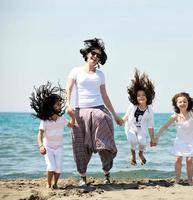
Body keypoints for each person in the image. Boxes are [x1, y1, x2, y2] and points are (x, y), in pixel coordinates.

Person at [66, 38, 123, 186]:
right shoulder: (76, 71)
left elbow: (105, 96)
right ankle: (83, 177)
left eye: (98, 55)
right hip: (80, 112)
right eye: (93, 53)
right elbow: (69, 89)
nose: (95, 56)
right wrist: (68, 105)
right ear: (87, 53)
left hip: (98, 110)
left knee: (104, 143)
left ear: (100, 59)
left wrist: (116, 115)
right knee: (79, 145)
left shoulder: (100, 74)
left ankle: (106, 174)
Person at [154, 92, 193, 185]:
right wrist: (157, 137)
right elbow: (164, 127)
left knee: (189, 160)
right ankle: (177, 180)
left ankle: (190, 180)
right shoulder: (175, 116)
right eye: (180, 102)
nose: (182, 103)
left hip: (192, 141)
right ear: (176, 104)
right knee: (178, 159)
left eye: (184, 101)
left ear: (188, 102)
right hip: (180, 141)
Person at [29, 82, 75, 189]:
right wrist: (41, 146)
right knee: (51, 166)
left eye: (60, 104)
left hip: (59, 147)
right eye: (58, 104)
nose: (60, 105)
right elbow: (40, 134)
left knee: (58, 168)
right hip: (48, 147)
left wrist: (73, 117)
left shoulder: (61, 120)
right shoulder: (45, 121)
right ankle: (48, 184)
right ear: (51, 106)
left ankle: (55, 184)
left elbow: (71, 125)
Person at [122, 69, 156, 166]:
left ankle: (140, 154)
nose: (141, 97)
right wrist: (121, 121)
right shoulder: (132, 106)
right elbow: (126, 116)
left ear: (148, 96)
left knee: (142, 142)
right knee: (133, 140)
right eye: (139, 95)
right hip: (131, 127)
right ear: (135, 97)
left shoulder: (150, 110)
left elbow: (151, 125)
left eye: (143, 95)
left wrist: (152, 138)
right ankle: (132, 154)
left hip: (142, 129)